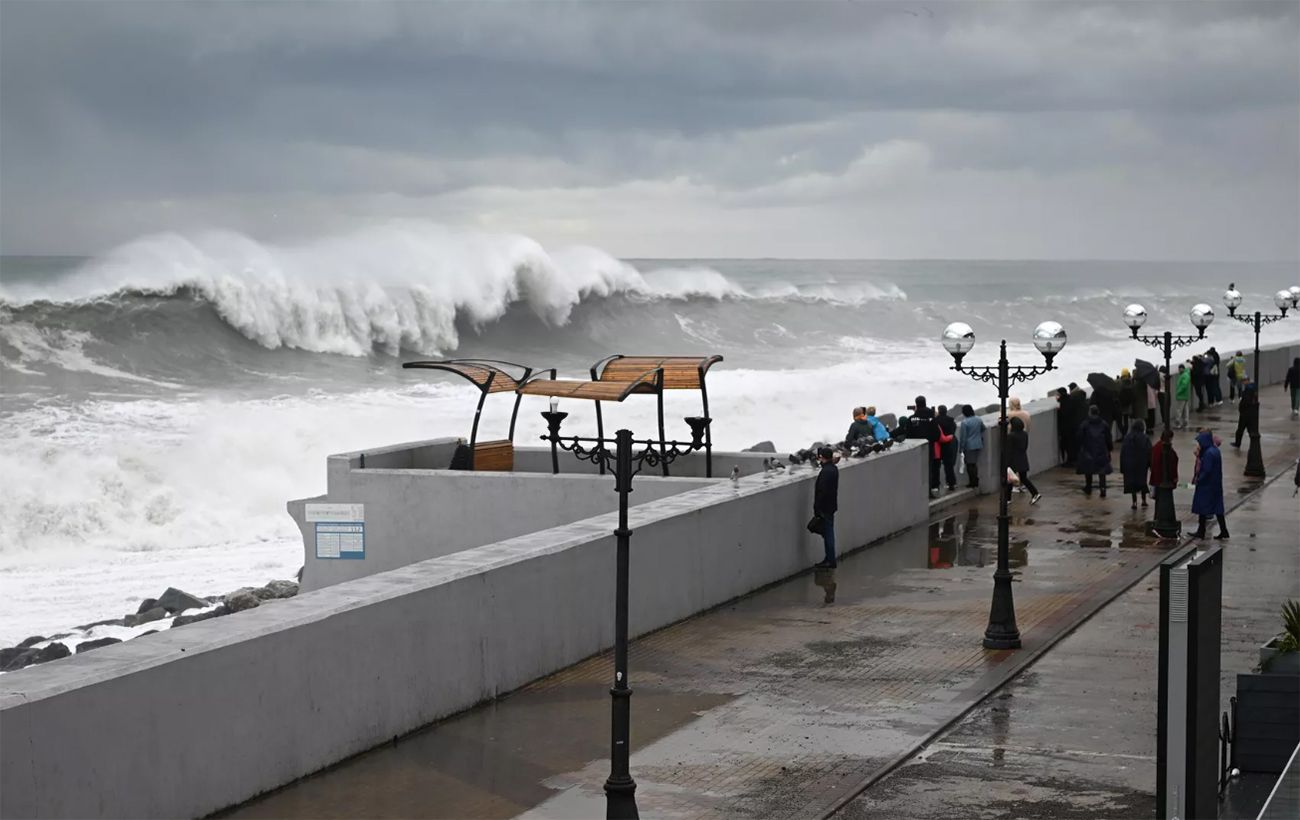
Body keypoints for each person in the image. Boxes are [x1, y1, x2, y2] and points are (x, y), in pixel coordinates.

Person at [1191, 431, 1228, 539]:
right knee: (1217, 508)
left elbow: (1206, 470)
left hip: (1207, 485)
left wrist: (1199, 479)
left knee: (1202, 507)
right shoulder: (1215, 451)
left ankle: (1201, 531)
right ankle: (1223, 530)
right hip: (1215, 484)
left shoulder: (1208, 454)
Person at [906, 396, 941, 498]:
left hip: (915, 448)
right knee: (928, 469)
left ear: (916, 404)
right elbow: (937, 434)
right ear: (925, 403)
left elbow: (908, 435)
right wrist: (930, 440)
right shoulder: (931, 418)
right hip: (929, 447)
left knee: (915, 470)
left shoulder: (911, 419)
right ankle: (928, 492)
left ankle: (916, 493)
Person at [1076, 405, 1113, 497]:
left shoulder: (1085, 424)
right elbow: (1108, 438)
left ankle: (1088, 487)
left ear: (1089, 412)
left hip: (1088, 449)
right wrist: (1109, 448)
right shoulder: (1104, 424)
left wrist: (1079, 447)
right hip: (1101, 450)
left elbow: (1079, 437)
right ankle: (1103, 488)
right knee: (1102, 470)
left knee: (1088, 469)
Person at [1149, 428, 1179, 536]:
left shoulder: (1156, 447)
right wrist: (1174, 479)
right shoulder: (1166, 449)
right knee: (1162, 502)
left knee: (1158, 502)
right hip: (1163, 481)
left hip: (1156, 480)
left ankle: (1157, 518)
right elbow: (1171, 464)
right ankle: (1161, 520)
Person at [813, 446, 839, 567]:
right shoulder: (834, 469)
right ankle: (829, 558)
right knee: (828, 532)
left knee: (828, 534)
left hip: (825, 507)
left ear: (822, 457)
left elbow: (822, 491)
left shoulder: (825, 472)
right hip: (831, 505)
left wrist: (817, 508)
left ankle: (830, 560)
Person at [1005, 416, 1041, 504]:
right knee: (1024, 478)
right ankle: (1035, 493)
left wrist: (1006, 463)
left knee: (1009, 479)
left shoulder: (1010, 436)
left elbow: (1009, 450)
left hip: (1013, 459)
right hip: (1022, 458)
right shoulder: (1024, 434)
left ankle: (1008, 499)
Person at [1120, 419, 1152, 509]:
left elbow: (1123, 453)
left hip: (1129, 464)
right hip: (1142, 463)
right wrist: (1150, 465)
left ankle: (1134, 502)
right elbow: (1150, 452)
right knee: (1142, 482)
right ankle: (1144, 500)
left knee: (1132, 483)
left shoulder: (1127, 438)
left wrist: (1122, 467)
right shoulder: (1145, 438)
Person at [958, 404, 985, 488]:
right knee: (974, 463)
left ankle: (973, 482)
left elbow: (963, 437)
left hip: (969, 446)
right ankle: (975, 480)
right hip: (978, 444)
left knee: (969, 464)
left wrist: (961, 448)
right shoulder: (978, 419)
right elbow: (983, 428)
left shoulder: (964, 422)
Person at [1064, 383, 1089, 466]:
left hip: (1075, 424)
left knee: (1074, 444)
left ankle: (1074, 460)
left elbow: (1069, 411)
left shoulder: (1073, 398)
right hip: (1083, 422)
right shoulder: (1082, 397)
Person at [1231, 378, 1259, 448]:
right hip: (1250, 413)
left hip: (1245, 413)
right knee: (1250, 430)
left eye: (1244, 381)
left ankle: (1238, 443)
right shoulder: (1252, 388)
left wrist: (1241, 409)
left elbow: (1245, 401)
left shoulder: (1248, 389)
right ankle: (1253, 444)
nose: (1243, 382)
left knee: (1240, 429)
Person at [936, 405, 958, 491]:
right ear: (946, 411)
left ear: (939, 411)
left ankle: (936, 485)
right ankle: (951, 483)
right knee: (948, 466)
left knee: (936, 466)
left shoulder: (936, 420)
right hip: (949, 444)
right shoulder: (951, 420)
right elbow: (954, 429)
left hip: (938, 445)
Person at [1173, 363, 1191, 430]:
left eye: (1180, 368)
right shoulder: (1186, 375)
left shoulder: (1184, 375)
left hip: (1181, 396)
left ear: (1182, 368)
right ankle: (1185, 423)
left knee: (1179, 410)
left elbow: (1184, 385)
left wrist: (1178, 392)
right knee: (1185, 410)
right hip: (1185, 396)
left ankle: (1178, 423)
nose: (1179, 370)